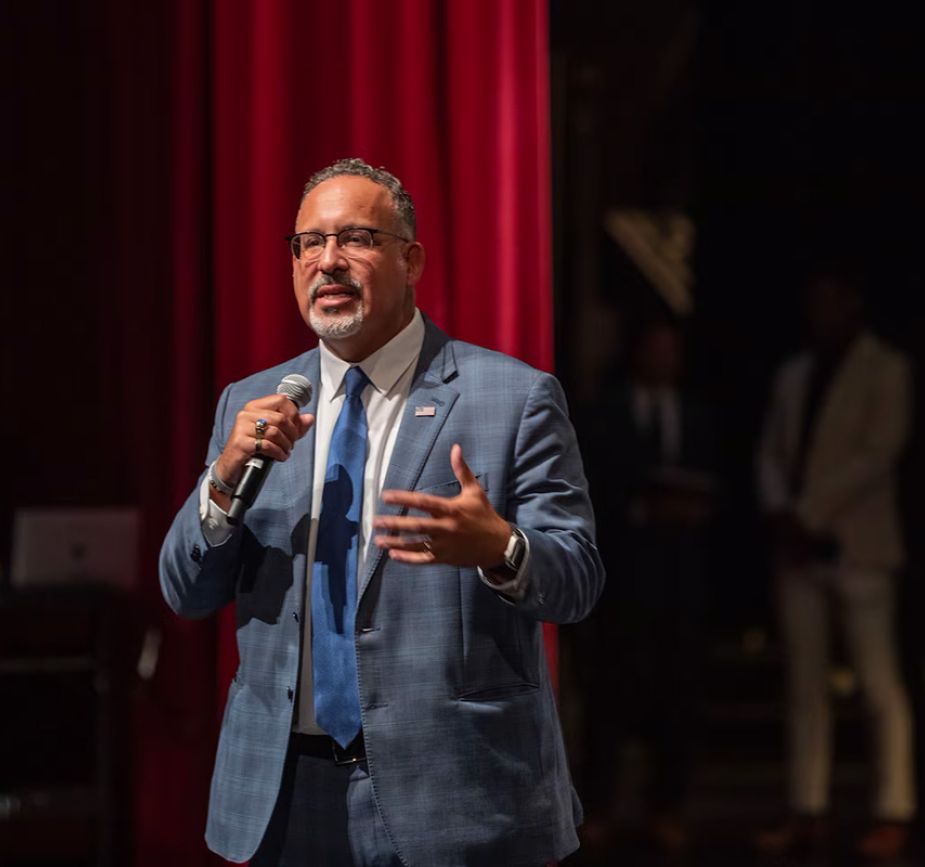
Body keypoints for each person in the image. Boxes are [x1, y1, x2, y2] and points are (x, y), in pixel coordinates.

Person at [159, 158, 605, 866]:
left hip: (456, 793)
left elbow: (578, 579)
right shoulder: (253, 404)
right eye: (308, 243)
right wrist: (220, 482)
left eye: (356, 238)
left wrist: (501, 547)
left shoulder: (512, 399)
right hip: (284, 794)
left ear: (411, 258)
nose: (327, 261)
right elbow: (185, 591)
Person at [755, 269, 915, 859]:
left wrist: (811, 512)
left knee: (878, 685)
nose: (819, 313)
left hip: (858, 546)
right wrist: (780, 509)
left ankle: (894, 809)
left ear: (853, 305)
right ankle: (807, 808)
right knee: (805, 684)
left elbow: (879, 451)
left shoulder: (886, 368)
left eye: (831, 302)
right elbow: (771, 449)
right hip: (798, 549)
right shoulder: (795, 373)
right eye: (813, 302)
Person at [578, 320, 718, 854]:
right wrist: (637, 508)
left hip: (682, 574)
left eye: (671, 351)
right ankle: (599, 807)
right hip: (621, 572)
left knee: (679, 694)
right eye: (653, 348)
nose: (663, 359)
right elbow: (589, 485)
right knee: (611, 693)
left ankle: (668, 807)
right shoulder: (605, 412)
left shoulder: (698, 414)